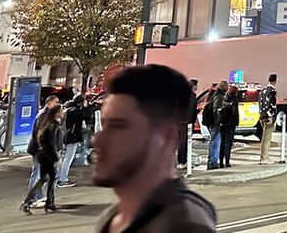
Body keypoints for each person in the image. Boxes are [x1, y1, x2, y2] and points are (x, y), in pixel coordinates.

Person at [93, 65, 217, 232]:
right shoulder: (114, 218)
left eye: (118, 126)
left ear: (165, 138)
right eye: (104, 126)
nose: (97, 141)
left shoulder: (183, 224)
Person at [22, 106, 64, 213]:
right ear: (57, 113)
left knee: (44, 178)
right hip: (48, 155)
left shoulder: (46, 124)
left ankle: (29, 201)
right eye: (61, 111)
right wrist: (56, 158)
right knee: (52, 177)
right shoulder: (53, 125)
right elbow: (52, 144)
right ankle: (49, 202)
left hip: (42, 154)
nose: (63, 113)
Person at [59, 94, 88, 187]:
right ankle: (63, 179)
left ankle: (59, 177)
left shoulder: (68, 108)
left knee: (64, 158)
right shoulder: (75, 111)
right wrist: (86, 107)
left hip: (67, 136)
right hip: (72, 137)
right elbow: (85, 116)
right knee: (68, 158)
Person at [203, 82, 226, 170]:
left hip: (213, 123)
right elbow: (217, 109)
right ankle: (213, 163)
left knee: (214, 142)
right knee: (215, 143)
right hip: (216, 124)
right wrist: (219, 121)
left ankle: (212, 162)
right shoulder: (219, 96)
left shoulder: (215, 94)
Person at [178, 79, 199, 169]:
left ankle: (181, 161)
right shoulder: (192, 96)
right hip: (187, 122)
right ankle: (183, 161)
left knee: (181, 142)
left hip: (179, 121)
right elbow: (191, 110)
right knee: (185, 142)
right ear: (193, 86)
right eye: (196, 85)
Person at [258, 74, 278, 164]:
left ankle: (263, 156)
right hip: (268, 117)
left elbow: (260, 103)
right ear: (275, 81)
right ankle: (264, 157)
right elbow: (271, 104)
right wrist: (271, 116)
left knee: (264, 137)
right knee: (267, 138)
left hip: (262, 116)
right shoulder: (272, 91)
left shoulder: (263, 90)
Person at [219, 85, 239, 168]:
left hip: (223, 123)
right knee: (228, 143)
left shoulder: (224, 98)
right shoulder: (234, 100)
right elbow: (234, 113)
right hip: (230, 124)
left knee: (222, 143)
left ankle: (220, 162)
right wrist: (236, 121)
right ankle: (227, 162)